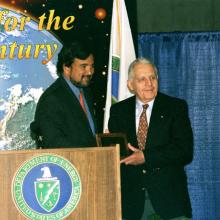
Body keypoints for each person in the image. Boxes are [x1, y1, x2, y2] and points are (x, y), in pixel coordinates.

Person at [108, 58, 193, 220]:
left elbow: (184, 151)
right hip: (131, 204)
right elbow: (119, 154)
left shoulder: (176, 107)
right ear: (130, 85)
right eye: (142, 79)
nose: (149, 83)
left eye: (152, 77)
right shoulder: (118, 111)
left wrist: (145, 157)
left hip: (169, 202)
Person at [30, 39, 97, 148]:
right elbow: (54, 143)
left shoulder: (86, 91)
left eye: (92, 66)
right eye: (83, 66)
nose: (90, 72)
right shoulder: (51, 99)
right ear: (66, 68)